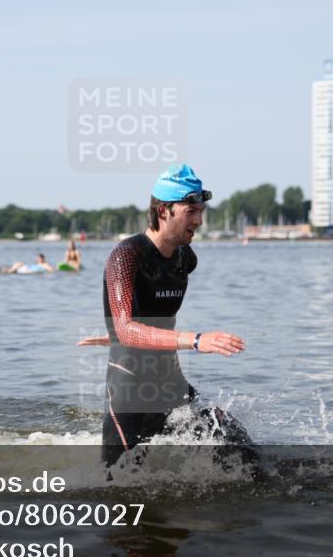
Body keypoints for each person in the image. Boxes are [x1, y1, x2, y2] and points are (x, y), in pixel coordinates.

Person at [77, 164, 251, 468]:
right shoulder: (126, 256)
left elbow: (146, 315)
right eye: (191, 211)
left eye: (201, 211)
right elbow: (128, 329)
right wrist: (196, 340)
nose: (199, 221)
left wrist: (116, 332)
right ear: (163, 210)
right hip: (130, 392)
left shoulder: (186, 258)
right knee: (116, 488)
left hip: (171, 385)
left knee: (243, 453)